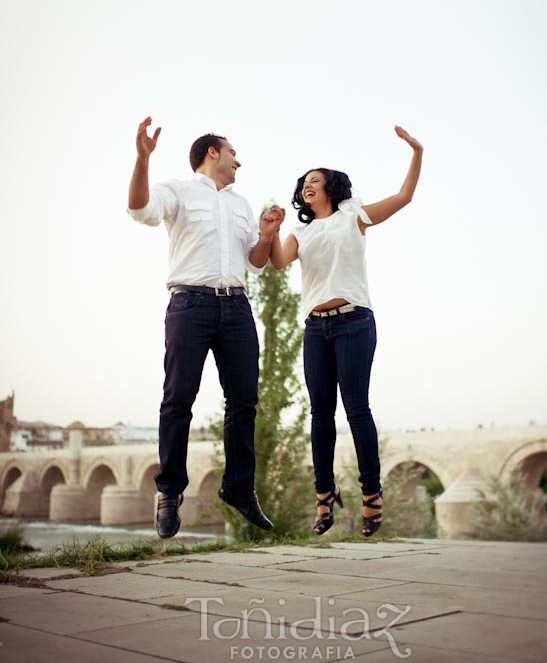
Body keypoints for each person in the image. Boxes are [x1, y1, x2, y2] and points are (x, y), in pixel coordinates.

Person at [128, 117, 283, 539]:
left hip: (236, 307)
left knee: (245, 401)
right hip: (189, 305)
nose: (238, 161)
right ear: (212, 152)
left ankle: (238, 488)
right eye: (233, 152)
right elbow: (140, 210)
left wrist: (267, 234)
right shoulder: (177, 189)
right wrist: (142, 159)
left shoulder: (241, 203)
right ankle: (170, 492)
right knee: (178, 399)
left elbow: (255, 260)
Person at [268, 125, 423, 537]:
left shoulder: (354, 215)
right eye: (303, 183)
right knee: (320, 414)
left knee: (356, 410)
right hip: (316, 330)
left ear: (331, 187)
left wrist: (416, 152)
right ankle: (324, 494)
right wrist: (269, 229)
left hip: (355, 322)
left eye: (314, 181)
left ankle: (371, 495)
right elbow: (279, 262)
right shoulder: (299, 233)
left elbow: (404, 197)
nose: (306, 186)